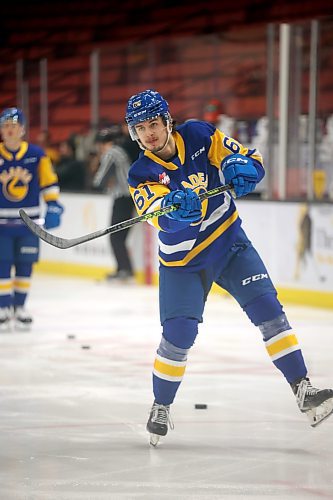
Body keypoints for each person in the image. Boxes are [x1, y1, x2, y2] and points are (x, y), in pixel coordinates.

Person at [125, 89, 333, 446]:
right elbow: (159, 219)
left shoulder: (199, 135)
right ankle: (161, 406)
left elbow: (250, 158)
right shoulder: (141, 173)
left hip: (228, 244)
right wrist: (174, 210)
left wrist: (245, 169)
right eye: (140, 128)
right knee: (179, 336)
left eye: (154, 123)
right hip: (183, 263)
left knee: (270, 311)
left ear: (167, 121)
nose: (149, 133)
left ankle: (303, 389)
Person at [0, 107, 64, 331]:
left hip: (29, 223)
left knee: (25, 264)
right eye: (5, 126)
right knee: (3, 264)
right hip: (1, 224)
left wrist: (54, 204)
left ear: (23, 129)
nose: (9, 130)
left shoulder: (37, 154)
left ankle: (20, 307)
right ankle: (4, 307)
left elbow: (49, 182)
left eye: (13, 126)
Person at [92, 126, 135, 281]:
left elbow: (99, 180)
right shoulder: (121, 152)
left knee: (116, 236)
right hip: (130, 197)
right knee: (120, 236)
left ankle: (124, 270)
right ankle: (124, 269)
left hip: (122, 197)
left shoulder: (112, 153)